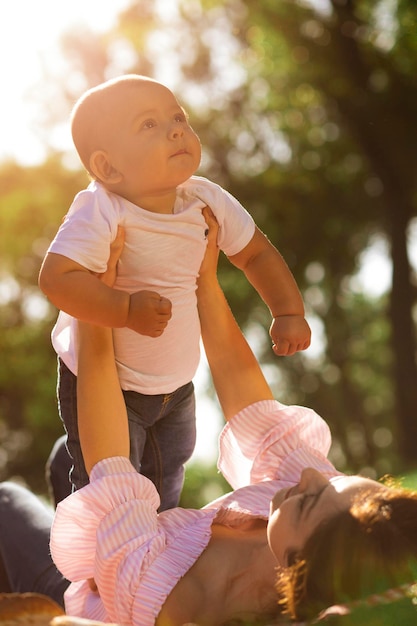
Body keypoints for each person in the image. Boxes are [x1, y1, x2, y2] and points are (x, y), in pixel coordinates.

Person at [1, 212, 417, 625]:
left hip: (104, 591)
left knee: (7, 502)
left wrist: (97, 305)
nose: (311, 477)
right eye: (336, 481)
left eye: (310, 498)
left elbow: (109, 461)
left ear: (294, 569)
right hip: (153, 540)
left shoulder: (174, 597)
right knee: (63, 455)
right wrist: (204, 281)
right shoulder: (332, 526)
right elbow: (251, 403)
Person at [38, 73, 311, 509]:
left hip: (176, 387)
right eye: (149, 124)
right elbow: (57, 279)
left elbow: (256, 253)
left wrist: (288, 310)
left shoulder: (204, 200)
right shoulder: (102, 210)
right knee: (110, 492)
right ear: (108, 167)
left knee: (167, 487)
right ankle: (94, 564)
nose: (176, 129)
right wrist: (123, 308)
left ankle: (157, 555)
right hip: (111, 389)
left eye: (178, 117)